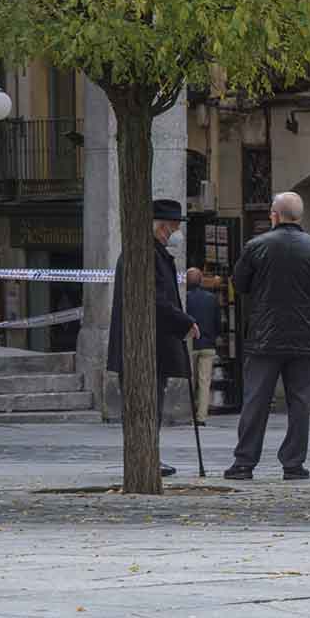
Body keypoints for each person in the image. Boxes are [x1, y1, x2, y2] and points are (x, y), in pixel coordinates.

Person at [224, 192, 310, 481]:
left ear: (274, 214)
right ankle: (293, 463)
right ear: (299, 216)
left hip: (265, 337)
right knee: (300, 404)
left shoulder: (256, 246)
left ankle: (244, 462)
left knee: (256, 401)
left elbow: (240, 284)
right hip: (304, 337)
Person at [107, 199, 199, 478]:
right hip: (146, 346)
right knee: (147, 404)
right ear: (160, 227)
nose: (173, 233)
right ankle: (145, 457)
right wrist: (186, 322)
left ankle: (149, 456)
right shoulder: (146, 254)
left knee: (151, 404)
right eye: (171, 227)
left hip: (150, 344)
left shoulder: (150, 253)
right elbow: (156, 300)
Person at [185, 268, 221, 426]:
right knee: (205, 382)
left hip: (192, 343)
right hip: (208, 344)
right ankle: (201, 417)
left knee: (190, 379)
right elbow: (218, 323)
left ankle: (189, 413)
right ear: (200, 281)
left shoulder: (185, 299)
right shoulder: (212, 298)